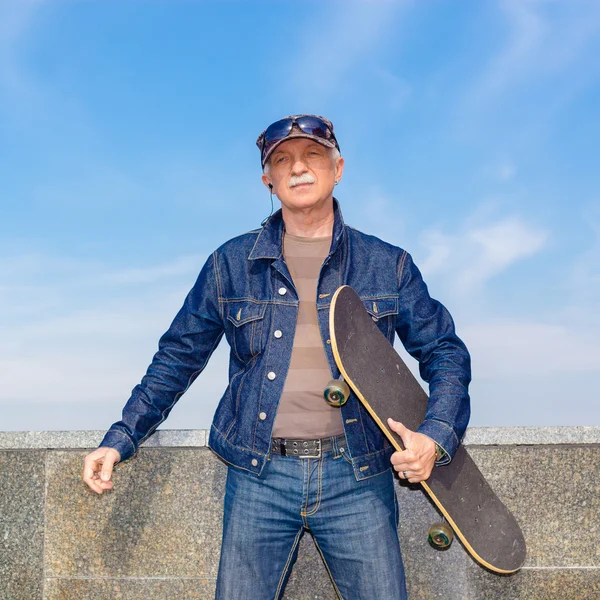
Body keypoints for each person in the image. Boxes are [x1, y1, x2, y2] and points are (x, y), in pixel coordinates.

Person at [82, 114, 471, 599]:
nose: (298, 168)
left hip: (359, 475)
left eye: (312, 156)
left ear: (338, 168)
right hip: (258, 475)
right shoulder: (230, 264)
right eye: (282, 160)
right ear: (268, 179)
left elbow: (444, 351)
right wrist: (121, 437)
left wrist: (435, 438)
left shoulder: (386, 264)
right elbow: (179, 356)